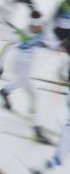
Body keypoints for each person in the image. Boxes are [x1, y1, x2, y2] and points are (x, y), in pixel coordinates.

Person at [0, 11, 52, 143]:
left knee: (26, 87)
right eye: (38, 26)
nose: (41, 28)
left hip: (26, 69)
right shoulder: (21, 35)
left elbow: (48, 40)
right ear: (32, 25)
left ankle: (6, 91)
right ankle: (36, 129)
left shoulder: (41, 31)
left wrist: (59, 46)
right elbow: (6, 47)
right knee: (33, 96)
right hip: (19, 66)